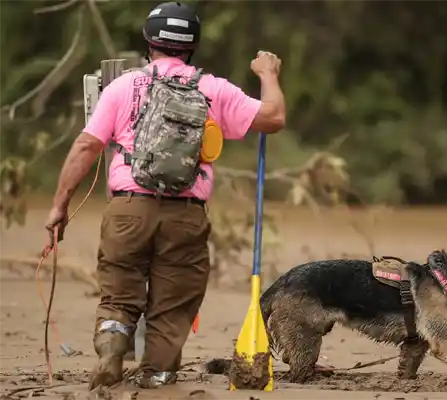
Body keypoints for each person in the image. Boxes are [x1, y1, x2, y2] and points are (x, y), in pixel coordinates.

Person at [44, 1, 285, 390]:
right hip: (186, 215)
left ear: (148, 40)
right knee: (173, 304)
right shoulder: (213, 89)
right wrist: (268, 74)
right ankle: (156, 374)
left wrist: (60, 205)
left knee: (119, 290)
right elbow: (273, 118)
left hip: (127, 209)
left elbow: (86, 147)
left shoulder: (125, 85)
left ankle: (111, 346)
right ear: (193, 45)